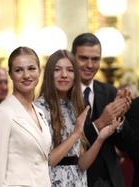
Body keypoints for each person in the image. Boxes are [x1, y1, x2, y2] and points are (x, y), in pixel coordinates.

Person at [35, 49, 120, 186]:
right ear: (49, 74)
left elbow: (81, 164)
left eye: (70, 70)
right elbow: (47, 161)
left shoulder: (74, 107)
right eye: (57, 70)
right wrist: (75, 134)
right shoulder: (39, 109)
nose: (64, 75)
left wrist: (100, 138)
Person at [72, 33, 132, 187]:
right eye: (84, 58)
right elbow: (65, 144)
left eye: (95, 59)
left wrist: (119, 120)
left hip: (109, 180)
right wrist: (100, 122)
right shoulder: (62, 94)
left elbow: (126, 146)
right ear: (72, 59)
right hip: (75, 178)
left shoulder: (110, 91)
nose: (90, 65)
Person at [0, 46, 52, 187]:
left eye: (31, 68)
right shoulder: (2, 113)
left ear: (39, 71)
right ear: (10, 74)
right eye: (18, 70)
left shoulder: (39, 112)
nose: (26, 75)